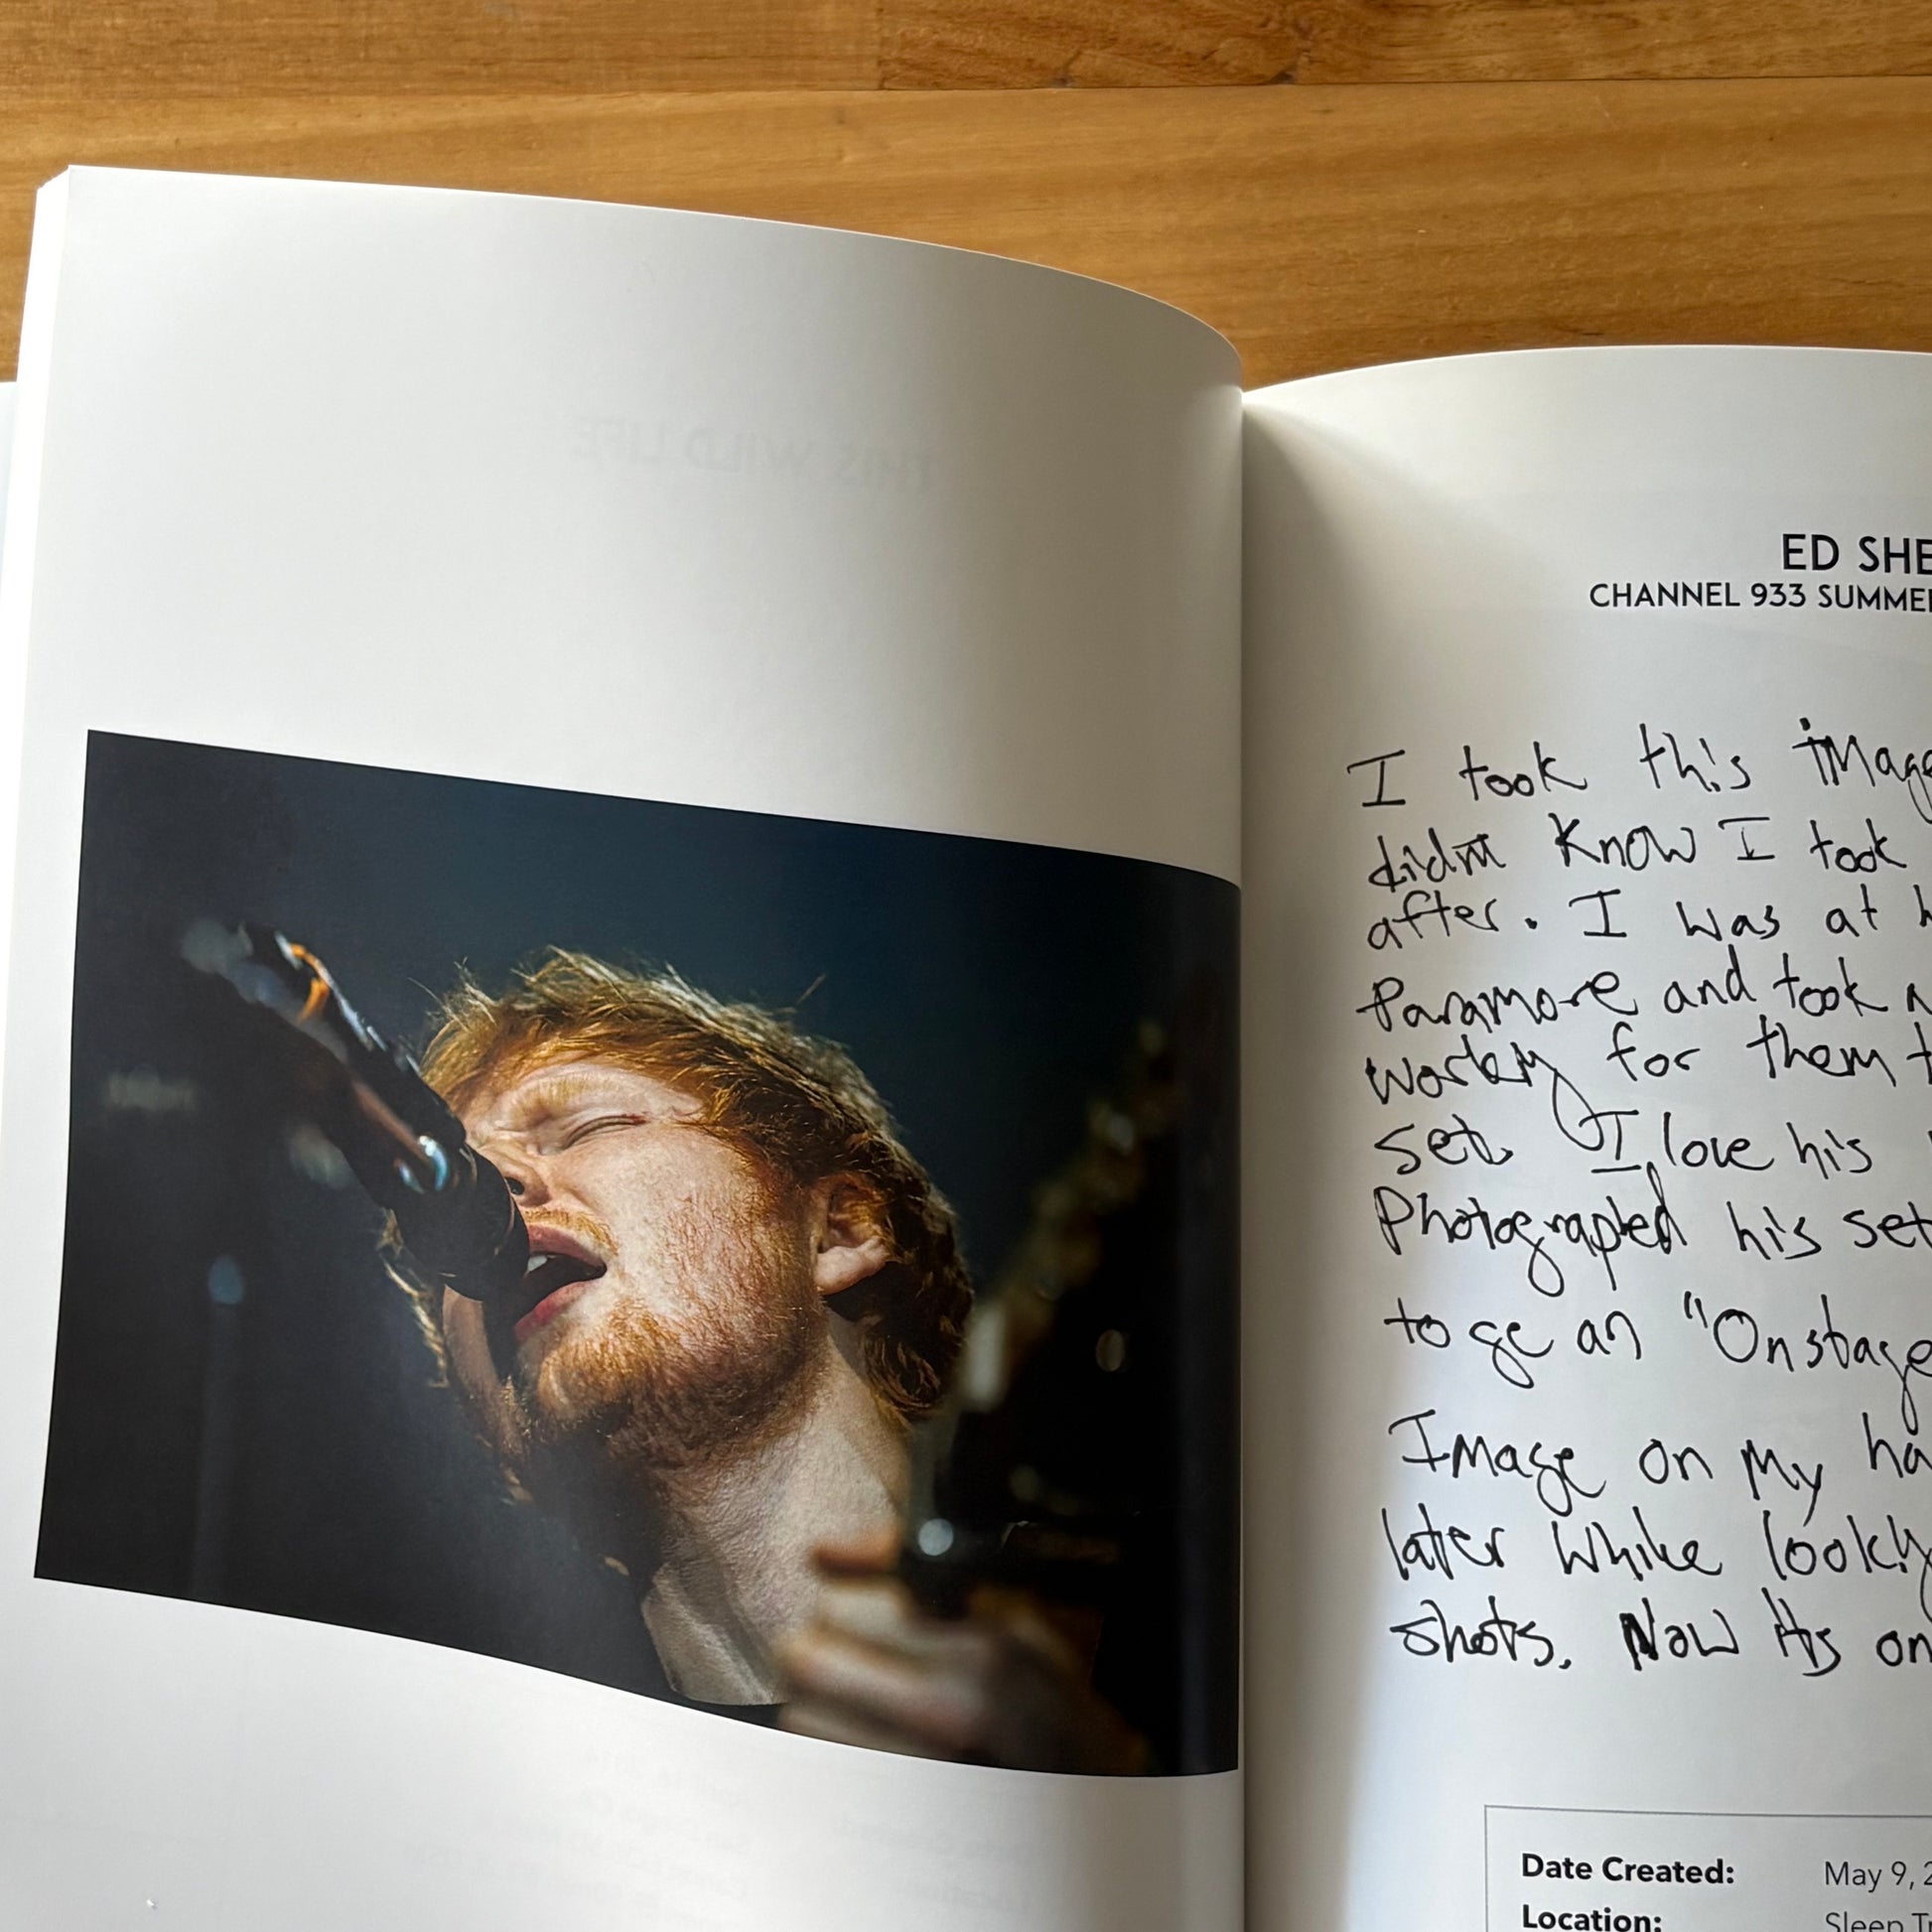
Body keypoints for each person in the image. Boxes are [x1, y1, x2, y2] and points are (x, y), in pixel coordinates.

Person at [391, 949, 1149, 1772]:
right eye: (440, 1232)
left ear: (838, 1232)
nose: (487, 1195)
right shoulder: (512, 1770)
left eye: (588, 1128)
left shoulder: (1180, 1624)